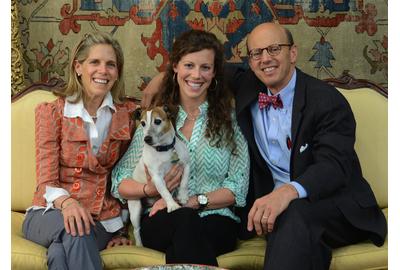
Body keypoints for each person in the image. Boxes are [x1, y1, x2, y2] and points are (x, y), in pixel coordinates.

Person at [141, 23, 387, 270]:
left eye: (274, 49)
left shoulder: (326, 100)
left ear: (293, 53)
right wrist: (163, 78)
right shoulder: (249, 84)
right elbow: (203, 69)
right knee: (285, 220)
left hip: (333, 206)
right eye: (257, 53)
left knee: (293, 214)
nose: (265, 59)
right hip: (273, 213)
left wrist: (286, 193)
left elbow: (334, 166)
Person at [111, 29, 250, 266]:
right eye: (189, 65)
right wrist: (149, 190)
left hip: (216, 219)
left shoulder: (229, 121)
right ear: (175, 67)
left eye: (205, 67)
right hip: (161, 219)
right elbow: (119, 181)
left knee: (187, 227)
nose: (196, 75)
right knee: (184, 221)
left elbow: (237, 188)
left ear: (215, 72)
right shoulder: (156, 119)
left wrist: (194, 201)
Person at [22, 31, 136, 270]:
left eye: (111, 65)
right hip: (48, 213)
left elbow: (124, 175)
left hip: (101, 221)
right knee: (75, 228)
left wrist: (123, 228)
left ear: (117, 73)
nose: (103, 71)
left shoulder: (126, 117)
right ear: (78, 67)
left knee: (59, 254)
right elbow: (46, 181)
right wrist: (68, 204)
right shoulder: (52, 112)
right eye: (94, 62)